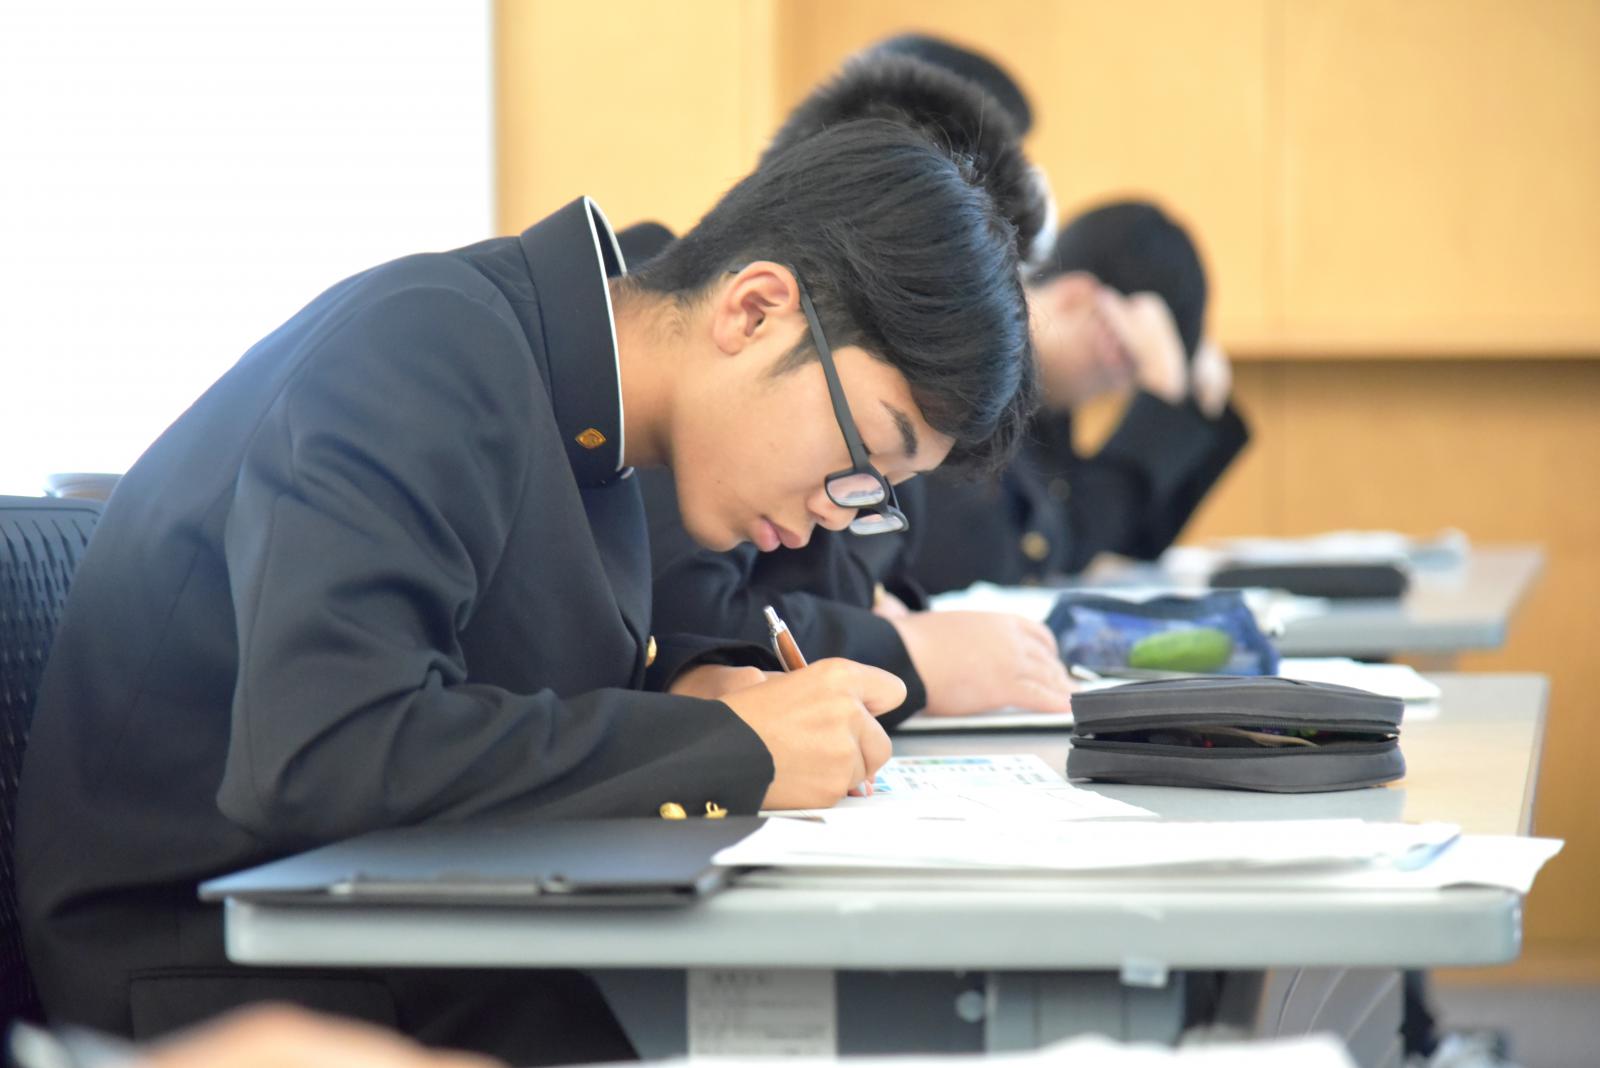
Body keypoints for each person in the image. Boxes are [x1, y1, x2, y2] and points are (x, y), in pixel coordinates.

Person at [16, 117, 1035, 1063]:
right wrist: (727, 745)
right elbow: (326, 748)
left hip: (398, 940)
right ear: (755, 309)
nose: (841, 512)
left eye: (879, 495)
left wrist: (686, 688)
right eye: (863, 457)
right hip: (224, 991)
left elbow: (482, 679)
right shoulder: (425, 348)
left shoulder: (582, 411)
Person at [639, 53, 1075, 722]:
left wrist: (889, 622)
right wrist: (906, 653)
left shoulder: (858, 410)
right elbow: (680, 622)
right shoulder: (658, 350)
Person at [910, 197, 1249, 593]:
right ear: (1079, 296)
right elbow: (1038, 548)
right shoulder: (973, 374)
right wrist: (1160, 399)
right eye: (1125, 359)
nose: (1117, 387)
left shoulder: (1047, 410)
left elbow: (1131, 543)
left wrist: (1192, 405)